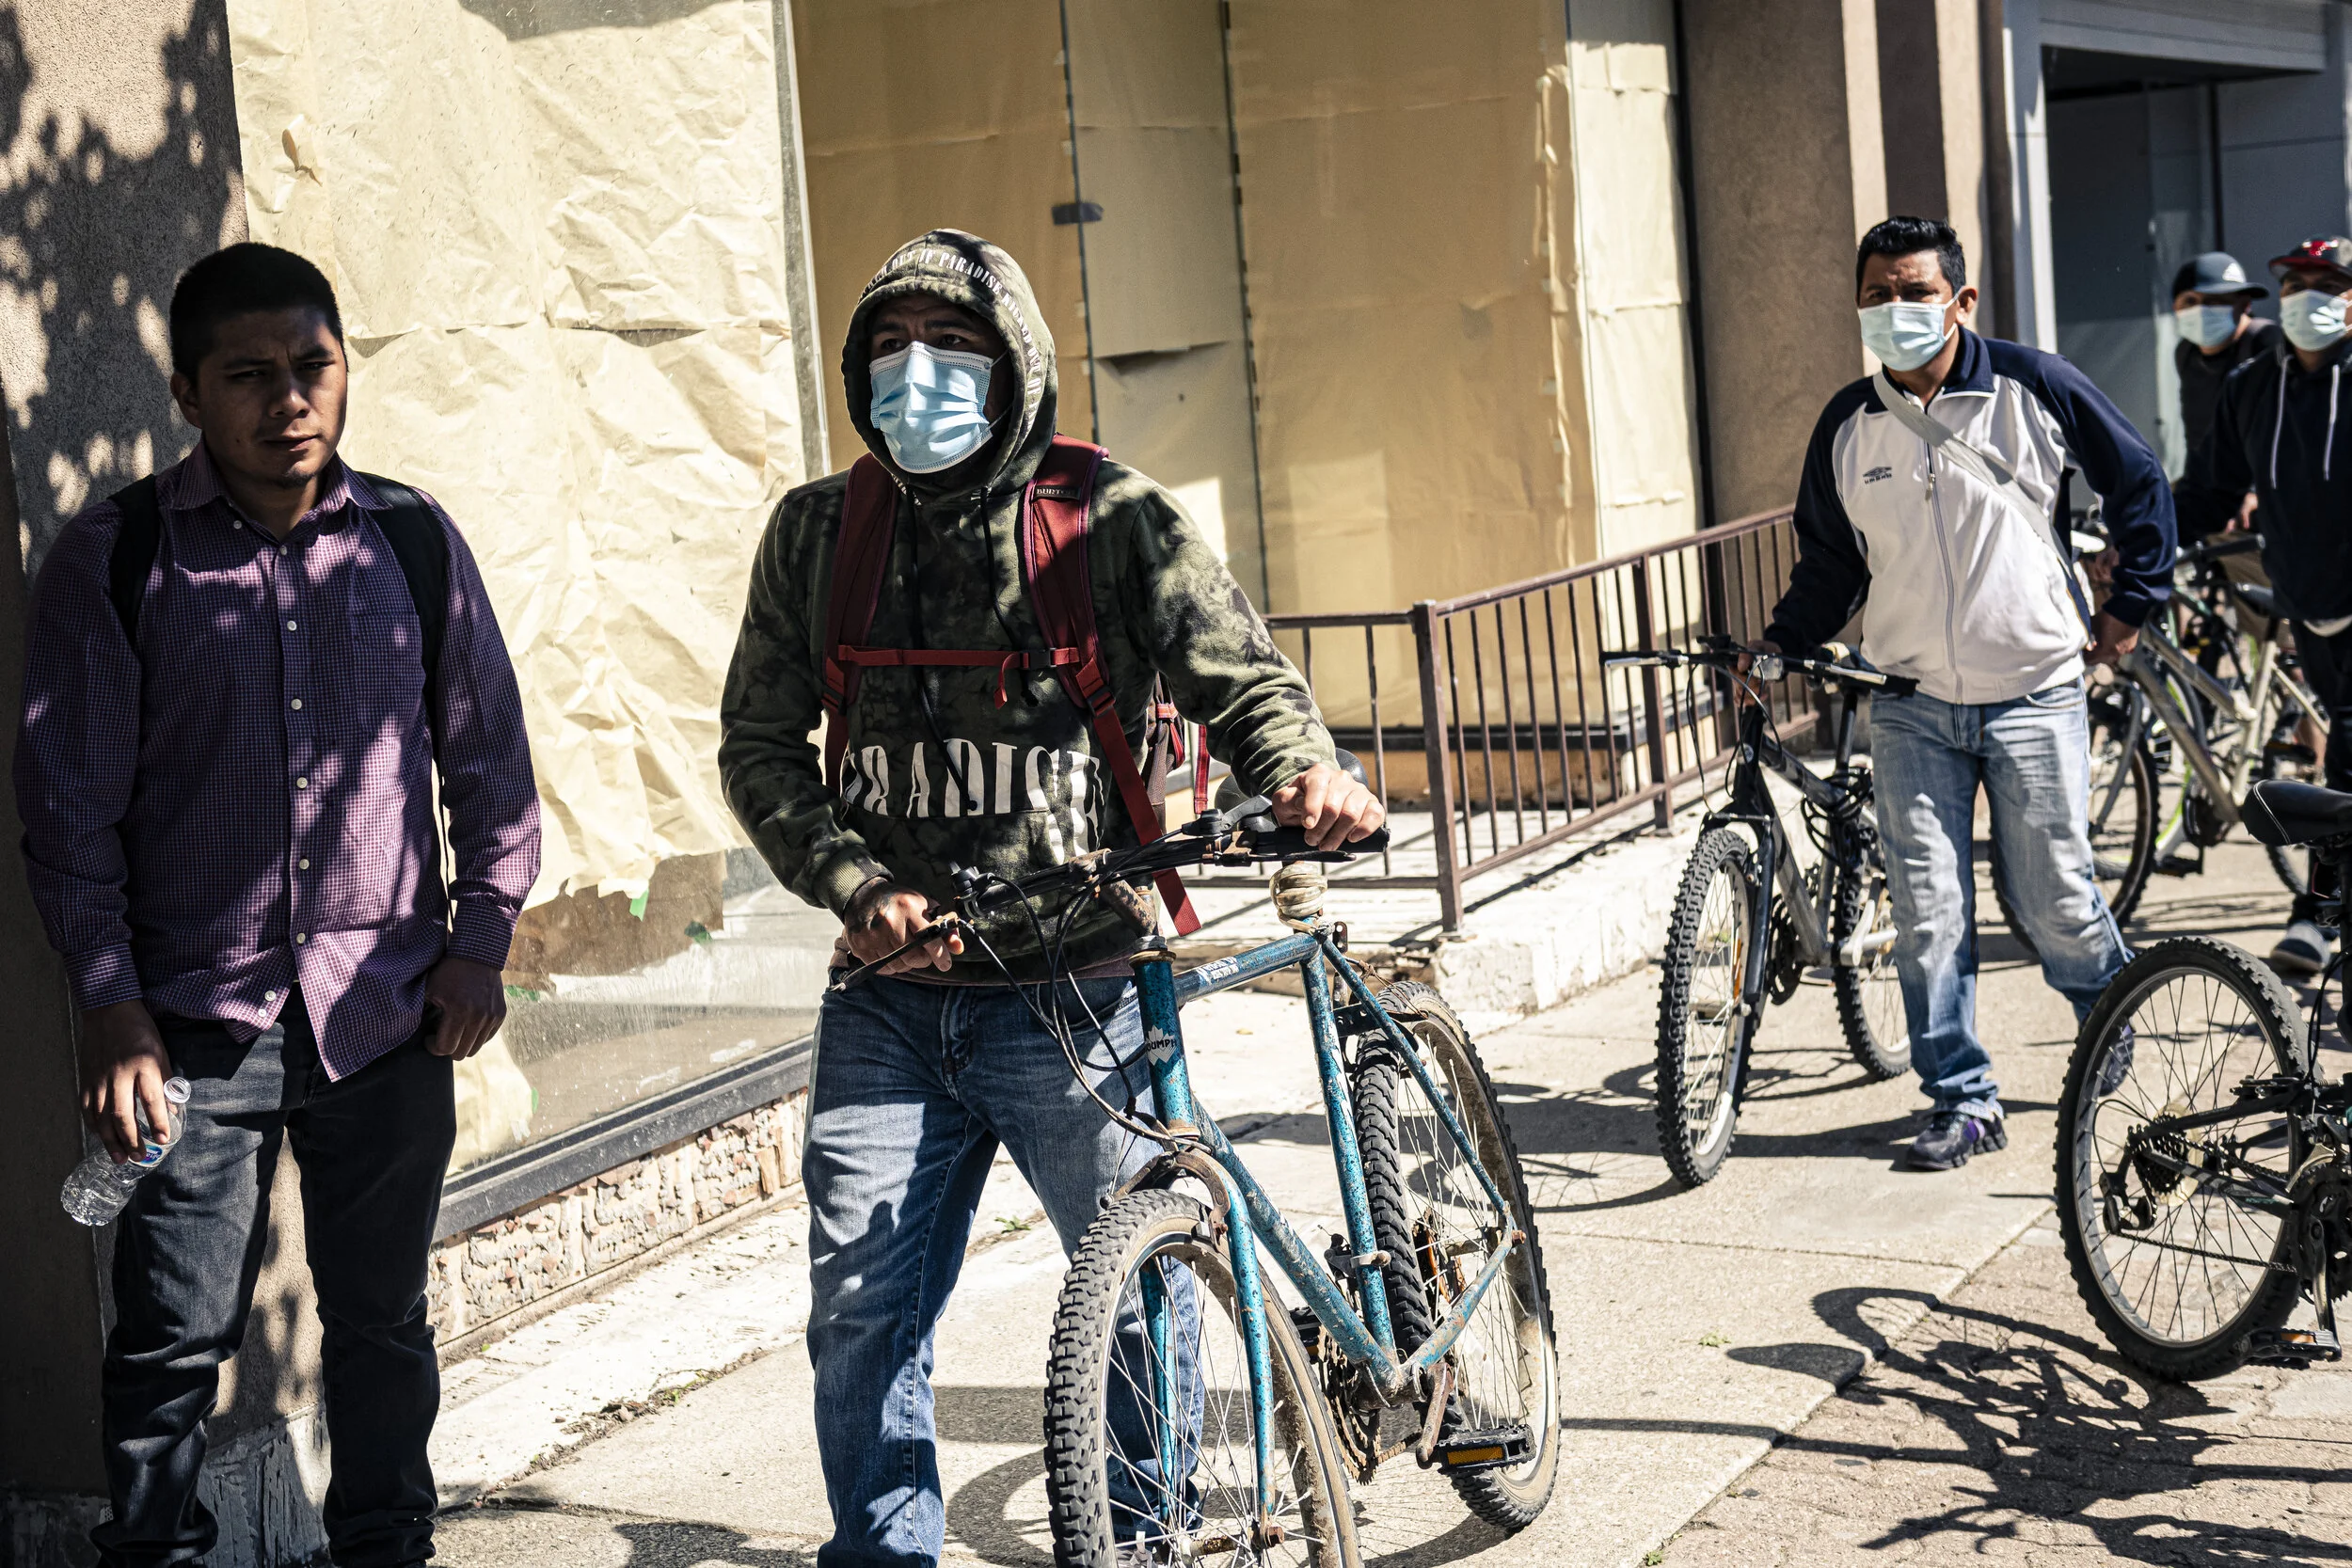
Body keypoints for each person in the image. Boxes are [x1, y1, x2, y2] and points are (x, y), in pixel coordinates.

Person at [717, 229, 1381, 1566]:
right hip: (892, 1000)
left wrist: (1304, 771)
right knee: (859, 1307)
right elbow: (758, 744)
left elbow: (1238, 678)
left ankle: (1140, 1536)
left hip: (1078, 982)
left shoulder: (1108, 518)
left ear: (1017, 365)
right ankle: (885, 1548)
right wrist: (851, 884)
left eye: (952, 348)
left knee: (1141, 1289)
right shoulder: (817, 533)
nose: (920, 378)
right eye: (891, 350)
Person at [15, 243, 541, 1567]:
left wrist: (481, 941)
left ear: (345, 367)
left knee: (380, 1321)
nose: (289, 400)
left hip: (384, 1015)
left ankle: (385, 1545)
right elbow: (67, 805)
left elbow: (487, 760)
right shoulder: (121, 557)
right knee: (169, 1339)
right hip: (195, 1025)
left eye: (313, 366)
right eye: (248, 375)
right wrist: (110, 1004)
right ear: (188, 390)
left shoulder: (412, 542)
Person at [1756, 215, 2176, 1170]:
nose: (1894, 310)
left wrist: (2132, 608)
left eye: (1913, 292)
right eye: (1875, 296)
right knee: (1928, 907)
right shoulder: (1848, 421)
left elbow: (2141, 479)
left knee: (2052, 893)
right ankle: (1960, 1095)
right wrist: (1783, 640)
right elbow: (1828, 560)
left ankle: (2110, 1023)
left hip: (2031, 687)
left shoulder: (2034, 386)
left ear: (1961, 299)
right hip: (1908, 702)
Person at [2175, 236, 2352, 975]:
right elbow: (2209, 490)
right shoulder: (2253, 388)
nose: (2307, 294)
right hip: (2310, 609)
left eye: (2327, 282)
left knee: (2343, 765)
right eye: (2296, 282)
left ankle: (2314, 915)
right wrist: (2135, 533)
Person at [2172, 250, 2280, 465]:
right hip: (2211, 484)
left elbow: (2280, 428)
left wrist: (2255, 490)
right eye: (2190, 301)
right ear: (2175, 306)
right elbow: (2195, 432)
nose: (2201, 310)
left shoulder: (2267, 343)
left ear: (2244, 304)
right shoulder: (2186, 352)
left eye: (2215, 300)